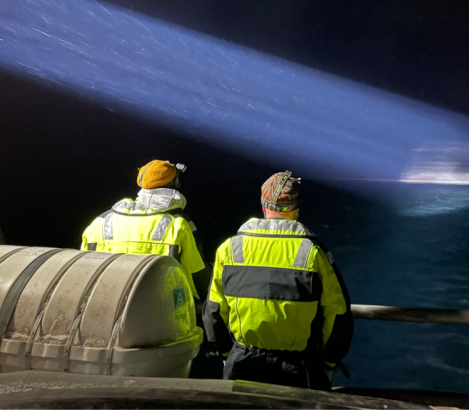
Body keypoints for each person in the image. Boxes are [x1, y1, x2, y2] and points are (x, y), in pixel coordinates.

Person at [202, 171, 352, 390]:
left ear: (264, 206)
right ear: (296, 209)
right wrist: (328, 362)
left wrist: (227, 353)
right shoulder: (312, 253)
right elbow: (338, 315)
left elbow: (214, 311)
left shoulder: (229, 249)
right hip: (298, 366)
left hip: (242, 362)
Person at [80, 160, 209, 302]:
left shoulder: (101, 221)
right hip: (160, 309)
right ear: (174, 184)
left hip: (107, 304)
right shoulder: (178, 224)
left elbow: (85, 270)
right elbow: (196, 275)